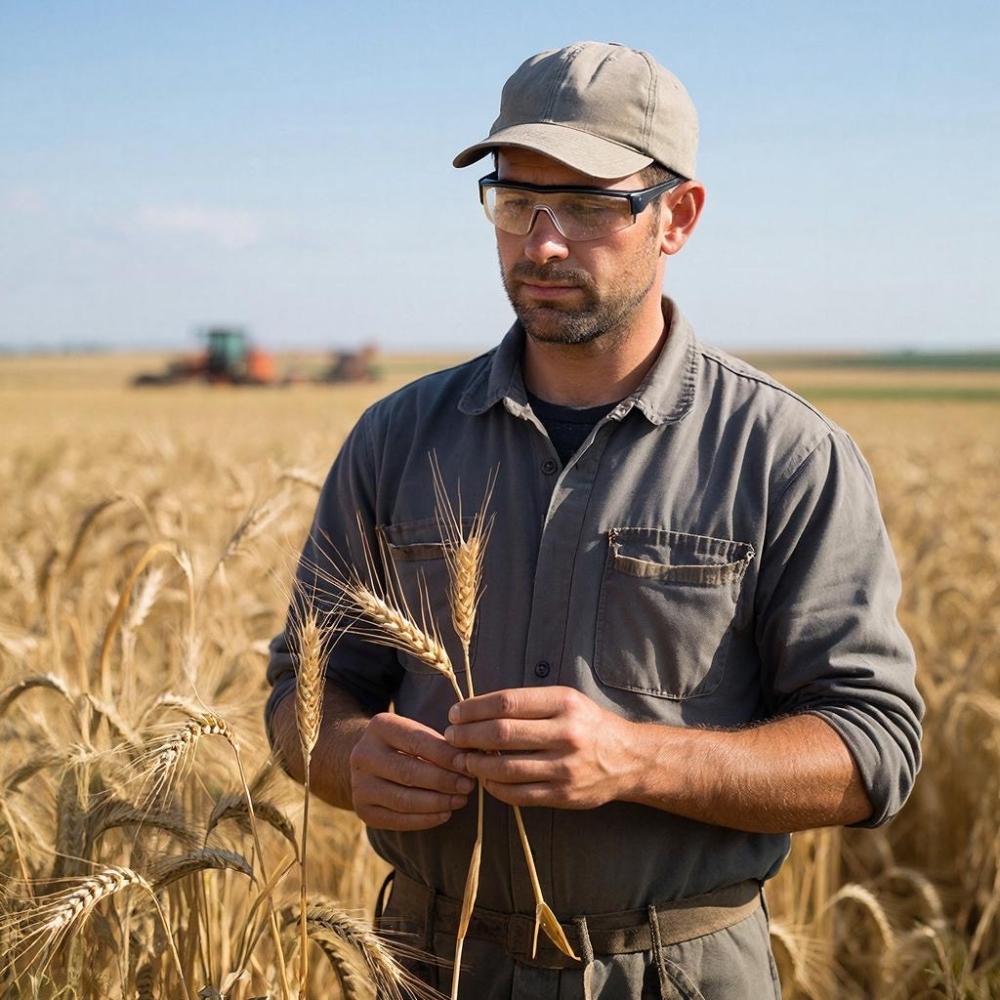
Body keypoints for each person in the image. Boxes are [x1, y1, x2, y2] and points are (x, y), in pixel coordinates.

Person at [266, 41, 923, 999]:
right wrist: (345, 757)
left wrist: (636, 758)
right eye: (514, 202)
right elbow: (303, 690)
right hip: (426, 962)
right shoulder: (395, 438)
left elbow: (874, 749)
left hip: (679, 969)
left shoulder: (787, 454)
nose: (541, 242)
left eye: (587, 206)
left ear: (678, 217)